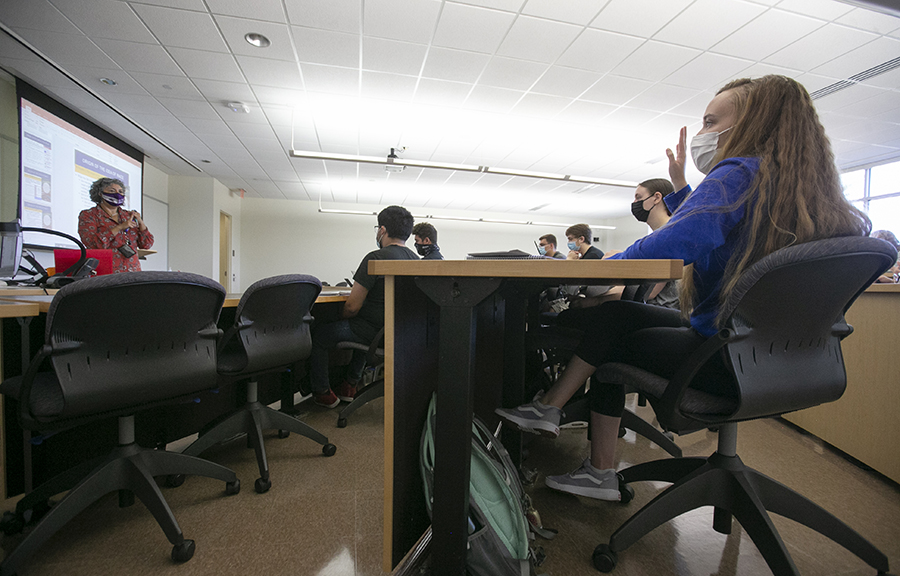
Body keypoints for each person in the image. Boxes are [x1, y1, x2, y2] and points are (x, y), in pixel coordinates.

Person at [496, 75, 871, 501]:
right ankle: (551, 409)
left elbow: (675, 243)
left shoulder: (739, 171)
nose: (702, 133)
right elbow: (725, 228)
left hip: (724, 359)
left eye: (711, 122)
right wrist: (682, 192)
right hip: (791, 363)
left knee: (609, 342)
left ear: (751, 123)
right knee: (617, 314)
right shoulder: (808, 191)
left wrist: (595, 269)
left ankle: (594, 464)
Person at [310, 206, 418, 408]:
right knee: (364, 331)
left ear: (382, 230)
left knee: (320, 335)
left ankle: (323, 392)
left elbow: (352, 307)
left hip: (371, 331)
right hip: (401, 333)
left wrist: (340, 317)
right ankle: (349, 385)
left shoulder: (375, 258)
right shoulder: (417, 261)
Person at [565, 178, 678, 312]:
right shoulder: (657, 237)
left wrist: (594, 301)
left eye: (638, 197)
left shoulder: (668, 236)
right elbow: (627, 288)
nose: (634, 203)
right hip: (649, 305)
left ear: (656, 198)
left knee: (578, 316)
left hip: (660, 309)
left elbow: (647, 292)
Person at [78, 177, 153, 274]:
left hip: (132, 271)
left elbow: (146, 244)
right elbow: (93, 245)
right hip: (105, 273)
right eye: (112, 191)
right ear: (100, 193)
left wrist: (141, 222)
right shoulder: (89, 215)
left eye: (121, 191)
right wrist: (119, 227)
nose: (118, 194)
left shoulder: (128, 215)